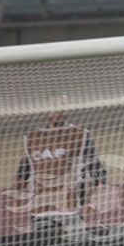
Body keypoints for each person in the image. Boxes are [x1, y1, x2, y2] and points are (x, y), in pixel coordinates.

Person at [13, 94, 106, 232]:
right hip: (40, 208)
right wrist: (18, 198)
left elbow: (96, 169)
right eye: (53, 107)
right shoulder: (34, 138)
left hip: (70, 208)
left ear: (66, 110)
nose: (57, 111)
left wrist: (92, 200)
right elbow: (23, 173)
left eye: (61, 107)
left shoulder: (79, 135)